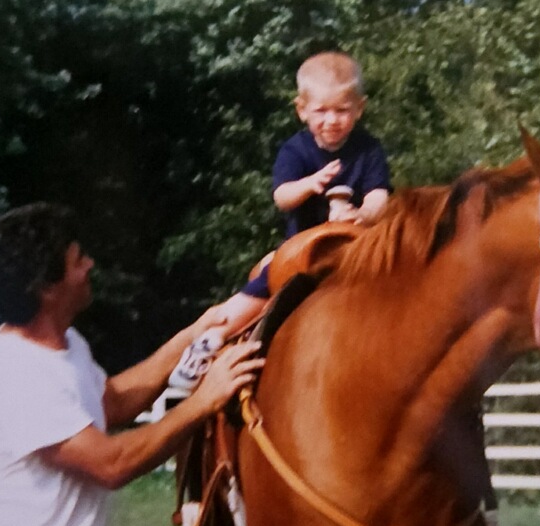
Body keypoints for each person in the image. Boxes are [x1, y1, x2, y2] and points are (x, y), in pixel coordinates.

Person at [0, 202, 263, 526]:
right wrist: (204, 400)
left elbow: (113, 400)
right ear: (46, 287)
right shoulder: (16, 370)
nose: (90, 265)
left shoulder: (66, 346)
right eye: (77, 260)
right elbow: (111, 464)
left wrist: (193, 333)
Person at [168, 50, 392, 390]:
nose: (332, 120)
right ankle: (213, 336)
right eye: (321, 111)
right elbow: (282, 196)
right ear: (302, 110)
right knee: (267, 283)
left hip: (355, 250)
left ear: (359, 108)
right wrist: (309, 184)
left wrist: (361, 214)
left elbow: (380, 197)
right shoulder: (295, 150)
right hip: (304, 251)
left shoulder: (369, 149)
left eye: (342, 110)